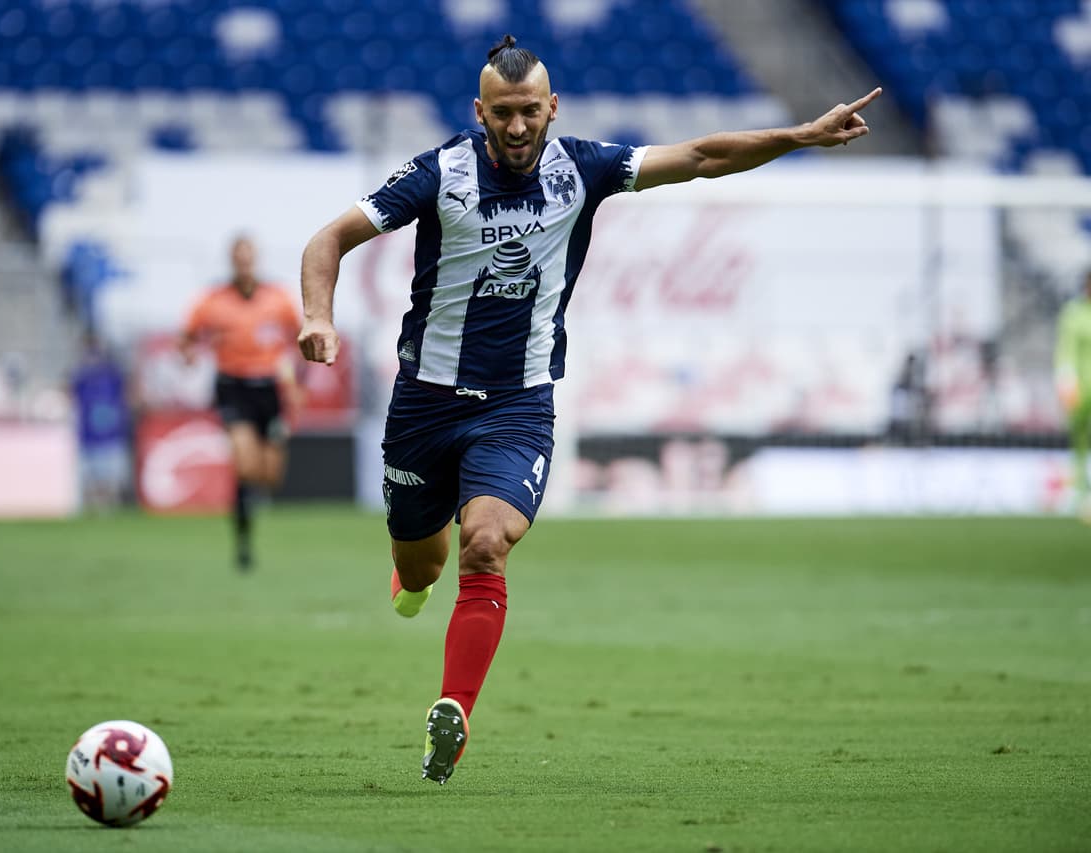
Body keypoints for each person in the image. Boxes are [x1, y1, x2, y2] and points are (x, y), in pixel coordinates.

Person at [298, 34, 881, 784]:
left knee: (486, 544)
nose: (516, 128)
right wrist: (318, 315)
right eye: (502, 114)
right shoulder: (441, 172)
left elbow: (700, 157)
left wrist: (799, 135)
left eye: (530, 112)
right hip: (424, 405)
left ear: (553, 108)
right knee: (421, 564)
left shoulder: (585, 168)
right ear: (480, 111)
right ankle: (412, 580)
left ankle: (453, 712)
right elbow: (330, 238)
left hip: (518, 405)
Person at [181, 236, 302, 570]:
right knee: (245, 463)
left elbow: (298, 339)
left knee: (270, 474)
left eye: (249, 257)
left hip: (269, 387)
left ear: (256, 260)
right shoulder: (212, 300)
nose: (244, 264)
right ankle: (243, 540)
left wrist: (295, 382)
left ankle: (248, 504)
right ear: (232, 261)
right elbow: (187, 337)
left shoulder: (277, 298)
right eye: (239, 258)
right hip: (232, 386)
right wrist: (189, 353)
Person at [71, 330, 132, 512]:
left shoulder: (113, 375)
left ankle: (109, 509)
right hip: (87, 436)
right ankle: (93, 510)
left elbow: (127, 395)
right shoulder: (80, 376)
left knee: (111, 482)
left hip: (111, 435)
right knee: (90, 482)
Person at [1055, 269, 1091, 520]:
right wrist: (1066, 380)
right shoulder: (1073, 313)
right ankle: (1079, 492)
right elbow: (1065, 350)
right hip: (1082, 388)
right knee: (1079, 440)